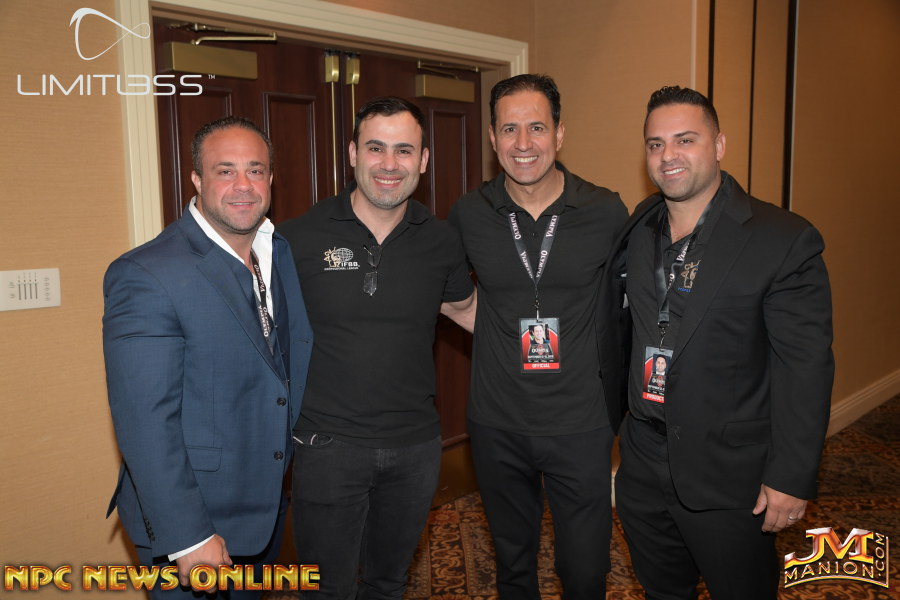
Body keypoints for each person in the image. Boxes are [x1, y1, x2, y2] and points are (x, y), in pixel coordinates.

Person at [603, 86, 834, 599]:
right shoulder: (638, 229)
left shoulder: (782, 239)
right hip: (642, 461)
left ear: (720, 145)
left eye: (685, 140)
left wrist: (791, 476)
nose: (668, 155)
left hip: (731, 477)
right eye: (656, 144)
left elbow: (804, 367)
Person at [103, 116, 313, 597]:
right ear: (196, 179)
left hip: (263, 506)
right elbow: (144, 419)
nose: (244, 185)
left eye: (255, 170)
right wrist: (188, 536)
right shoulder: (147, 273)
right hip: (192, 524)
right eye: (225, 171)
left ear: (271, 178)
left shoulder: (277, 251)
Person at [278, 97, 476, 600]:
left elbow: (467, 311)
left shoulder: (441, 241)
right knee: (327, 590)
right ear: (352, 154)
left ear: (423, 160)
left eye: (404, 150)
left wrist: (562, 345)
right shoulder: (297, 238)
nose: (390, 163)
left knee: (388, 583)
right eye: (375, 148)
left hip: (415, 449)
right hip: (326, 447)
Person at [449, 74, 628, 599]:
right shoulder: (469, 214)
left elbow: (627, 304)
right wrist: (498, 331)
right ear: (492, 137)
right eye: (509, 129)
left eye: (536, 128)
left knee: (585, 569)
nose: (523, 143)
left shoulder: (605, 211)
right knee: (513, 565)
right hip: (497, 421)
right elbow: (445, 291)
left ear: (559, 133)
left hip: (582, 421)